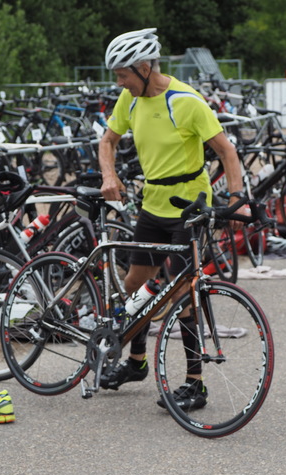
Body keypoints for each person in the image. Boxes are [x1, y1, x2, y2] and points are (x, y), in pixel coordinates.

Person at [97, 28, 245, 410]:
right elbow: (107, 141)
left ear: (144, 67)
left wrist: (236, 199)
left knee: (183, 294)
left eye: (123, 74)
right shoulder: (129, 101)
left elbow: (227, 152)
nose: (120, 82)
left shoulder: (186, 101)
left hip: (190, 208)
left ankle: (195, 383)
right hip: (153, 204)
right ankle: (136, 362)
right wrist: (109, 176)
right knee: (134, 286)